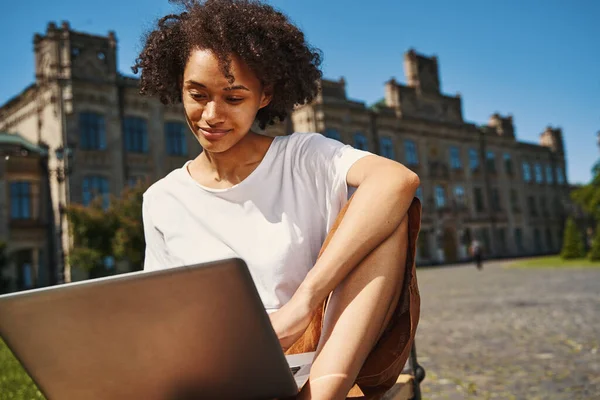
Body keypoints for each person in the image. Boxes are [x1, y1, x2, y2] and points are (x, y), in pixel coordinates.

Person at [134, 1, 421, 398]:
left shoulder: (304, 156)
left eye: (234, 98)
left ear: (264, 94)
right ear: (177, 86)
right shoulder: (162, 199)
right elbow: (165, 317)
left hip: (323, 361)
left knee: (391, 216)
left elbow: (398, 180)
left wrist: (302, 305)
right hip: (225, 373)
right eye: (197, 94)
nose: (211, 115)